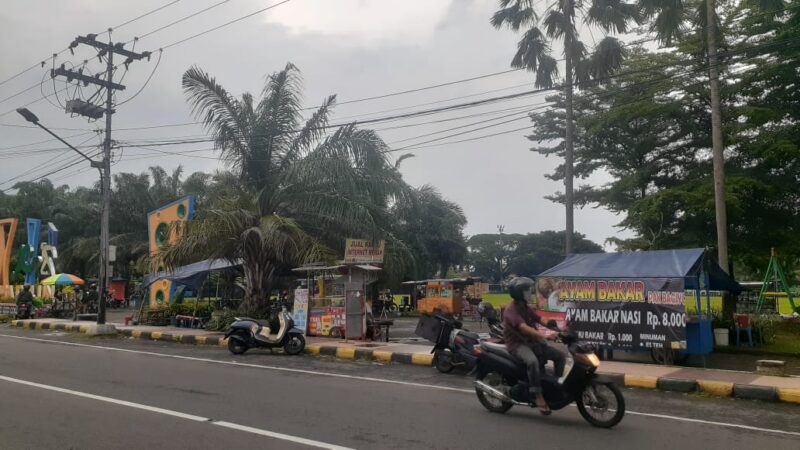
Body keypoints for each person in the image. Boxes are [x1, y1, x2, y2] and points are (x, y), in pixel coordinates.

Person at [502, 277, 566, 415]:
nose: (529, 292)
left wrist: (554, 325)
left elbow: (539, 319)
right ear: (520, 293)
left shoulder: (525, 307)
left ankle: (555, 386)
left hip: (531, 342)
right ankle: (537, 395)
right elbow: (523, 328)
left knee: (560, 356)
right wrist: (544, 335)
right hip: (517, 345)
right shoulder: (511, 310)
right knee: (532, 361)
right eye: (527, 290)